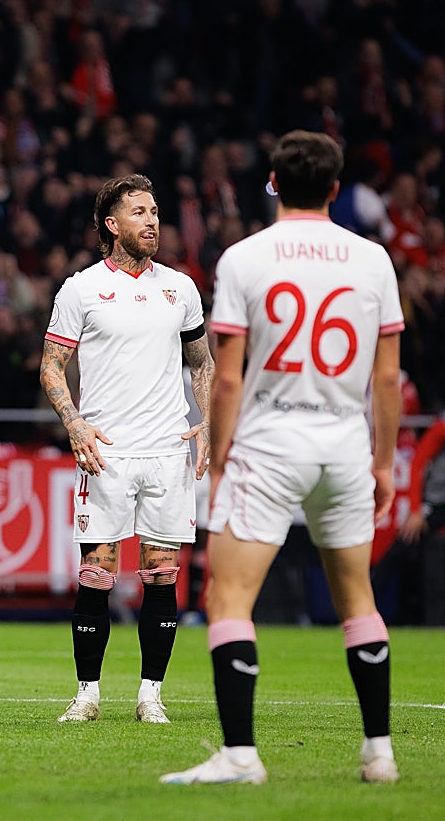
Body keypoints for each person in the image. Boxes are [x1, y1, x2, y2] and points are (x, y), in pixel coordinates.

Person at [161, 130, 403, 784]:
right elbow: (387, 379)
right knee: (359, 598)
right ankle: (379, 752)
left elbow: (230, 377)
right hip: (345, 440)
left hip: (270, 440)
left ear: (272, 182)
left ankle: (241, 755)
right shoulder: (372, 259)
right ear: (334, 188)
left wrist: (219, 448)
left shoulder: (244, 258)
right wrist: (383, 464)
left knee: (229, 598)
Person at [40, 173, 214, 725]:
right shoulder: (81, 288)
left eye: (156, 211)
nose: (153, 221)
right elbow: (50, 365)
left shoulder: (181, 288)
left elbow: (202, 362)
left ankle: (150, 696)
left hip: (167, 449)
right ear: (112, 226)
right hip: (106, 451)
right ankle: (87, 694)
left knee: (163, 574)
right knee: (97, 573)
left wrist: (206, 420)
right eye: (139, 212)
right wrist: (74, 422)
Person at [397, 416, 445, 625]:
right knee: (400, 547)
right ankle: (360, 615)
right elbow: (419, 460)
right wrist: (415, 510)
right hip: (438, 502)